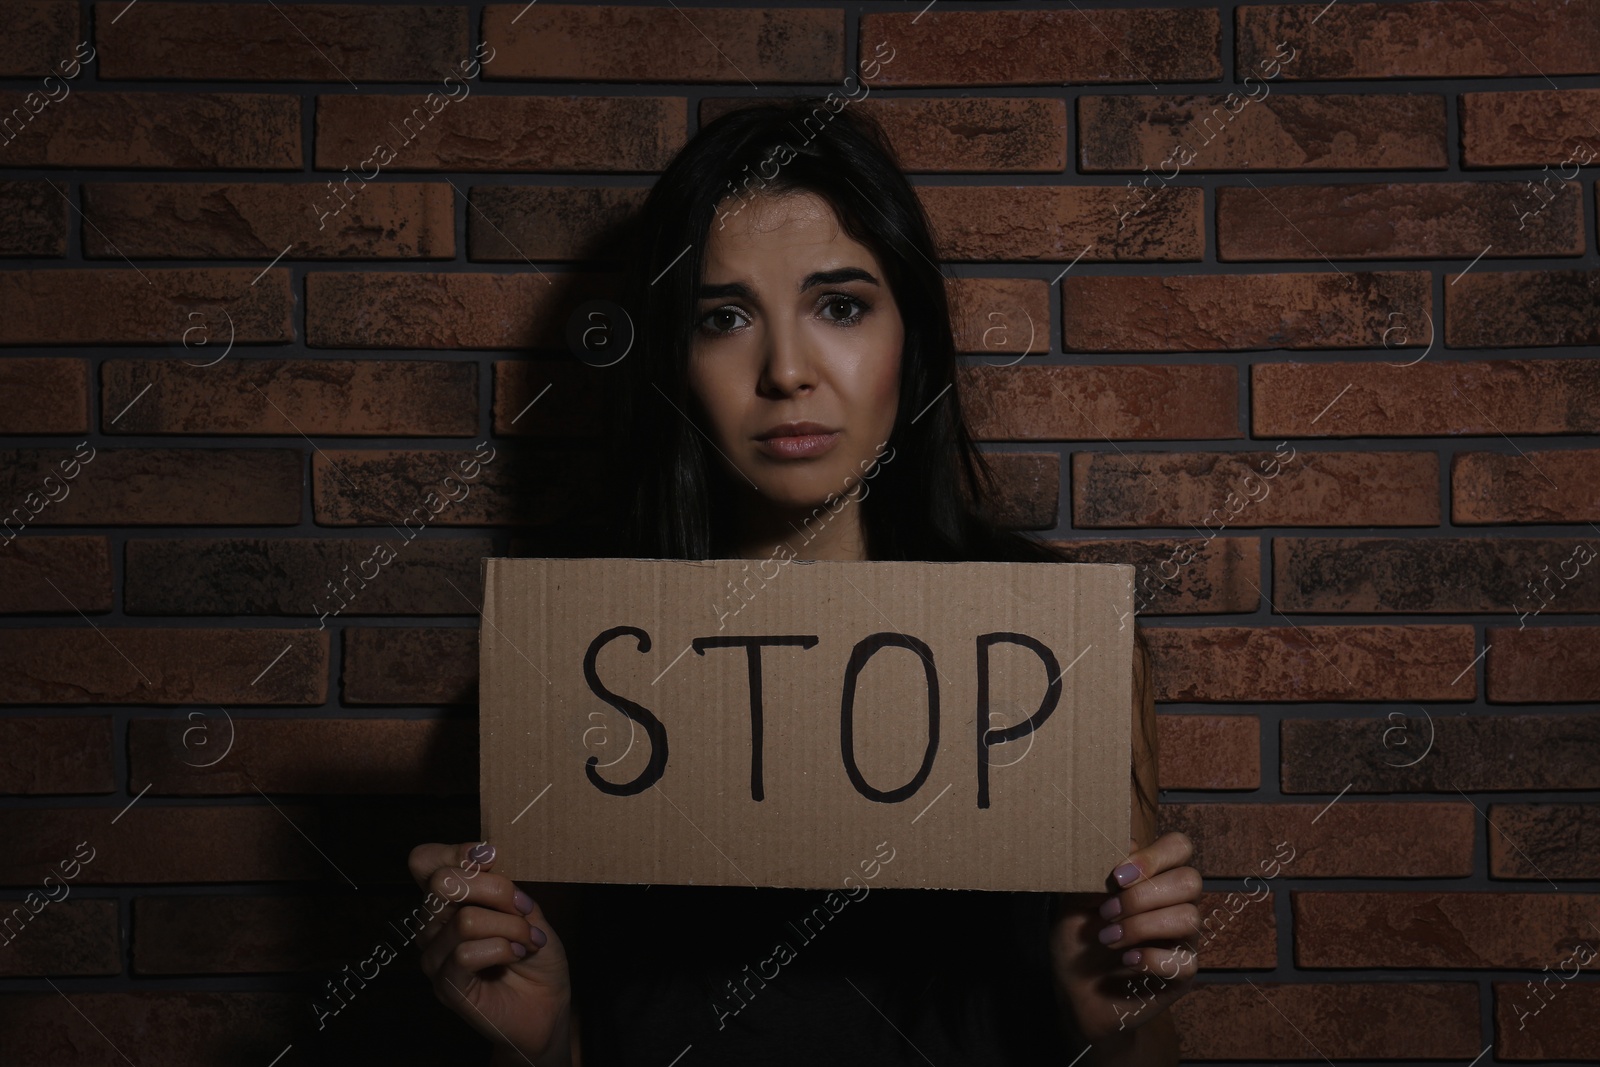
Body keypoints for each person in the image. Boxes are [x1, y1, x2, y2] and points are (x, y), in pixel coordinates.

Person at [409, 98, 1200, 1066]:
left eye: (839, 304)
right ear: (671, 354)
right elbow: (552, 1025)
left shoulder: (1056, 648)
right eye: (724, 316)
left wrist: (1117, 1023)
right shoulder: (578, 659)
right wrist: (536, 1041)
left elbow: (1136, 1043)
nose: (786, 369)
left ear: (909, 342)